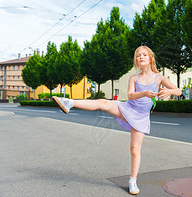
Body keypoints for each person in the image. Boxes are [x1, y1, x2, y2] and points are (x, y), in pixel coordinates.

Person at [51, 46, 181, 195]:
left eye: (144, 55)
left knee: (134, 149)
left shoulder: (160, 78)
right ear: (136, 60)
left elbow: (179, 91)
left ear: (151, 58)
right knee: (103, 102)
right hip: (127, 108)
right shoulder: (134, 78)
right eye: (138, 55)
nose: (141, 57)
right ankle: (69, 103)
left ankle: (133, 181)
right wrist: (144, 93)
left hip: (141, 116)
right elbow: (131, 96)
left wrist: (169, 91)